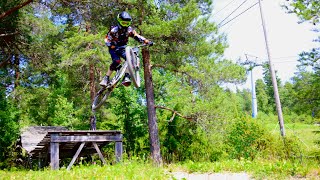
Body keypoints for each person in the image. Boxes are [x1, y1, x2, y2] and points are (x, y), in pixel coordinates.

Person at [100, 11, 152, 87]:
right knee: (116, 61)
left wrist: (146, 41)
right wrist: (111, 45)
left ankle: (127, 76)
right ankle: (106, 78)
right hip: (113, 48)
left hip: (123, 48)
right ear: (119, 21)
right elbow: (107, 39)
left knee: (131, 59)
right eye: (123, 23)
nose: (125, 25)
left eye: (127, 23)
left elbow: (137, 36)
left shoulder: (129, 30)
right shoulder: (114, 30)